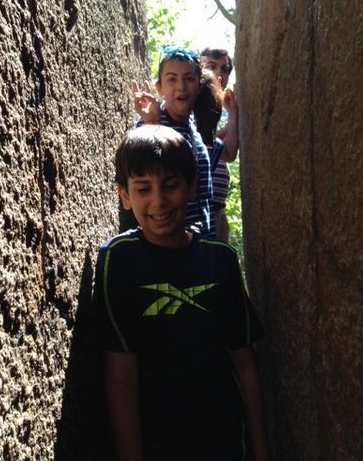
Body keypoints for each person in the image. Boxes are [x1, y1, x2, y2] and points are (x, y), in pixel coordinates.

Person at [95, 124, 269, 461]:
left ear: (191, 186)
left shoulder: (219, 260)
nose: (158, 200)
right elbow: (120, 378)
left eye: (170, 185)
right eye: (143, 188)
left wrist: (261, 452)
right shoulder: (119, 260)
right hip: (158, 443)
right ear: (124, 195)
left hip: (224, 441)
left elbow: (244, 363)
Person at [132, 46, 214, 237]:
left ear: (199, 85)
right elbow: (148, 172)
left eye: (189, 78)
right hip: (170, 242)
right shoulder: (149, 123)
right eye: (172, 79)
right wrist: (153, 123)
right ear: (159, 87)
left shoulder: (192, 127)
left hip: (198, 241)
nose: (181, 86)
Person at [200, 48, 239, 242]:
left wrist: (231, 114)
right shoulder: (191, 102)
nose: (218, 73)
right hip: (198, 214)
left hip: (217, 212)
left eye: (224, 69)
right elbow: (224, 151)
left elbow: (227, 151)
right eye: (211, 66)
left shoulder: (218, 109)